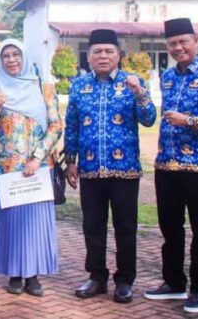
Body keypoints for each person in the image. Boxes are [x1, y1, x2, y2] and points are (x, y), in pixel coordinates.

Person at [144, 18, 198, 314]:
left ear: (196, 41)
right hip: (167, 165)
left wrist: (189, 121)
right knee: (170, 228)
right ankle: (174, 282)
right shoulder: (168, 77)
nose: (178, 48)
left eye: (183, 41)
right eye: (172, 43)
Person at [64, 29, 157, 304]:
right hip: (90, 169)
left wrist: (140, 93)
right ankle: (97, 276)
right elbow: (72, 125)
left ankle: (125, 280)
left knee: (125, 227)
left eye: (109, 51)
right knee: (92, 226)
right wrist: (71, 161)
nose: (103, 56)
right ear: (88, 56)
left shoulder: (132, 82)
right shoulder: (79, 86)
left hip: (124, 170)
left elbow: (149, 119)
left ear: (119, 55)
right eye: (97, 51)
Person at [0, 39, 63, 297]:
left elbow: (56, 126)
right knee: (10, 224)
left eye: (16, 54)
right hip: (5, 171)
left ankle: (33, 275)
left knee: (33, 224)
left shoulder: (43, 87)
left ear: (24, 57)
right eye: (6, 56)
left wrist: (37, 159)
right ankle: (14, 274)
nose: (12, 59)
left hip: (36, 169)